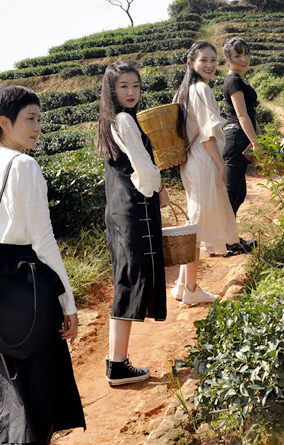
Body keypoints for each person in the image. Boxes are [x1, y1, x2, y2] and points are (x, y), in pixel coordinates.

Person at [0, 85, 85, 444]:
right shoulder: (24, 166)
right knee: (35, 400)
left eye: (39, 119)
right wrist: (68, 303)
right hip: (24, 296)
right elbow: (43, 242)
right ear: (4, 122)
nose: (37, 127)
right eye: (30, 119)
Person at [95, 61, 168, 386]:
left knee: (125, 280)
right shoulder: (124, 120)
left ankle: (117, 361)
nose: (131, 92)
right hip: (133, 211)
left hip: (120, 210)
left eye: (136, 86)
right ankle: (117, 364)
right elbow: (144, 167)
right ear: (112, 90)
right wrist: (160, 190)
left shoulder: (112, 120)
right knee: (128, 282)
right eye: (124, 86)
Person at [171, 41, 240, 304]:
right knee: (196, 226)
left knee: (194, 221)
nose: (210, 65)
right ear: (191, 63)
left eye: (213, 60)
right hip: (202, 160)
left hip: (191, 162)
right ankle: (190, 290)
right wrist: (221, 165)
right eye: (204, 60)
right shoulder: (201, 89)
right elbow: (208, 135)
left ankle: (181, 285)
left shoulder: (188, 89)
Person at [221, 36, 260, 253]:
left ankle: (230, 238)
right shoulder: (233, 80)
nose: (244, 59)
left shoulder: (241, 79)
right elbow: (242, 115)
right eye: (237, 56)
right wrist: (256, 142)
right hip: (236, 139)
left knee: (239, 192)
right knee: (232, 193)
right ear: (228, 58)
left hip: (240, 140)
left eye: (246, 54)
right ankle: (228, 242)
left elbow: (251, 115)